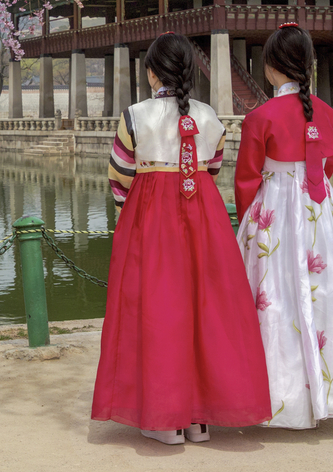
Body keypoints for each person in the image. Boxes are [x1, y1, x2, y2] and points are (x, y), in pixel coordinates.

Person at [92, 32, 271, 445]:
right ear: (189, 71)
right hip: (204, 215)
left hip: (150, 216)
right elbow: (213, 169)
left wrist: (131, 217)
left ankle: (164, 418)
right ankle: (199, 418)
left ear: (152, 72)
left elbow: (120, 178)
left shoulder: (134, 115)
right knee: (204, 309)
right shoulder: (211, 117)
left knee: (158, 309)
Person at [234, 23, 333, 429]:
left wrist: (247, 223)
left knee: (276, 298)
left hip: (275, 214)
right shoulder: (331, 116)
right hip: (321, 213)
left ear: (270, 67)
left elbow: (247, 179)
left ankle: (278, 397)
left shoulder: (260, 117)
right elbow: (326, 167)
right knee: (332, 293)